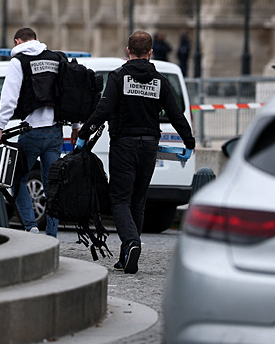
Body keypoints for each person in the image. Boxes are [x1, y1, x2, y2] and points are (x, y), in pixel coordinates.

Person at [75, 31, 195, 274]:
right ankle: (127, 256)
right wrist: (189, 142)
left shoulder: (119, 77)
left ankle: (131, 243)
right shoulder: (160, 81)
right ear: (150, 52)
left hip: (124, 144)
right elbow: (176, 114)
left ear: (128, 51)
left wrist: (84, 133)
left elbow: (103, 110)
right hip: (149, 146)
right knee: (138, 199)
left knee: (120, 199)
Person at [0, 27, 76, 237]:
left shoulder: (18, 62)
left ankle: (31, 227)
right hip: (55, 131)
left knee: (17, 179)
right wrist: (76, 127)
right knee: (52, 185)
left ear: (17, 42)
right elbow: (69, 94)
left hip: (31, 132)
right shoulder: (57, 58)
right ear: (36, 39)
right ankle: (52, 235)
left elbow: (9, 98)